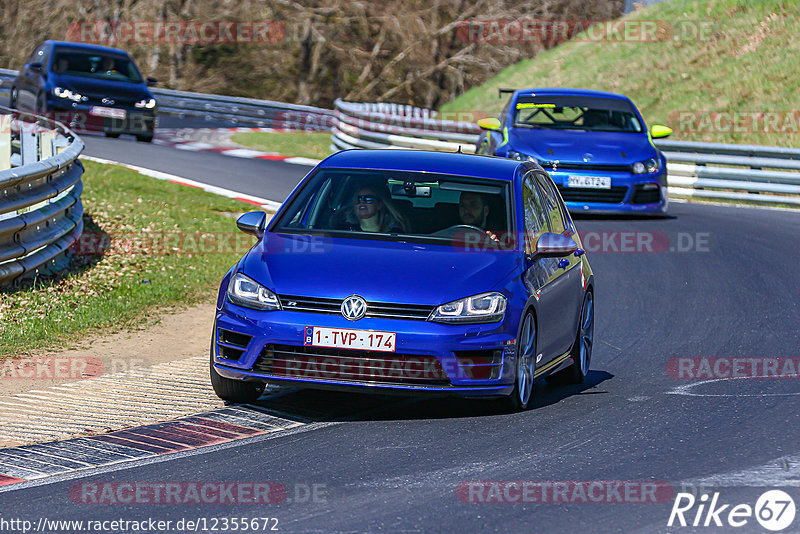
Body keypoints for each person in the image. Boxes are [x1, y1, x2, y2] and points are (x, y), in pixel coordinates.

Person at [338, 182, 409, 233]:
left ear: (379, 205)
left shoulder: (395, 233)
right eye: (358, 199)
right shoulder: (342, 230)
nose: (362, 202)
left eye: (368, 199)